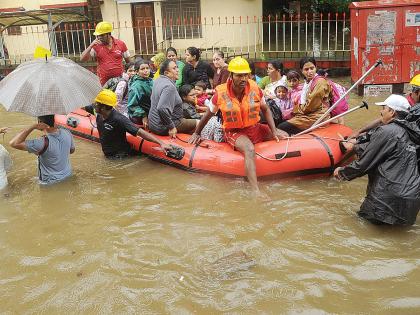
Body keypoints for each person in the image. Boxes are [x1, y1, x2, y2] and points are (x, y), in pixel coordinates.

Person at [189, 57, 287, 196]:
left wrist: (274, 130)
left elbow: (265, 109)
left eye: (245, 75)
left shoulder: (255, 88)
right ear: (231, 75)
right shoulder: (220, 94)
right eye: (239, 75)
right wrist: (197, 133)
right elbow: (208, 114)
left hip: (254, 127)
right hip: (234, 131)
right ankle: (255, 191)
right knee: (249, 149)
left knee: (285, 136)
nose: (243, 79)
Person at [334, 94, 420, 226]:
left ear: (392, 112)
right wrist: (355, 143)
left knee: (357, 226)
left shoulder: (387, 131)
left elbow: (364, 164)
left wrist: (342, 172)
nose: (381, 111)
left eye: (384, 108)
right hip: (411, 202)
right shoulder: (412, 134)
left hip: (385, 202)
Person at [94, 89, 171, 158]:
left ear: (103, 107)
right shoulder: (99, 112)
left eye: (96, 103)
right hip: (109, 155)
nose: (94, 105)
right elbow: (85, 107)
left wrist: (161, 143)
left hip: (120, 156)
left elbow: (140, 132)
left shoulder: (119, 119)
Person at [9, 115, 75, 185]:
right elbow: (72, 151)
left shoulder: (41, 142)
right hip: (68, 175)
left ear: (40, 123)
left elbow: (13, 143)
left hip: (51, 182)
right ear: (54, 120)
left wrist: (32, 127)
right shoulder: (67, 132)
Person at [277, 57, 331, 135]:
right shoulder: (307, 82)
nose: (310, 72)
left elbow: (310, 106)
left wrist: (294, 110)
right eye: (306, 69)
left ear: (316, 68)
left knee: (281, 127)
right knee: (281, 120)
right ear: (301, 71)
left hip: (317, 116)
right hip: (308, 113)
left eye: (312, 68)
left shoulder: (320, 83)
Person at [148, 60, 199, 138]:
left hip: (153, 123)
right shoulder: (169, 87)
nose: (178, 70)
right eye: (174, 68)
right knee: (199, 123)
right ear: (166, 73)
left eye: (177, 67)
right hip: (163, 126)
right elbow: (161, 108)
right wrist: (171, 127)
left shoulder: (157, 80)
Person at [80, 21, 131, 86]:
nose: (99, 37)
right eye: (98, 35)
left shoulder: (121, 44)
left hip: (120, 81)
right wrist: (90, 46)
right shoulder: (96, 46)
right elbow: (82, 59)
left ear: (109, 34)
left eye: (102, 35)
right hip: (104, 82)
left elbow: (129, 62)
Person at [127, 59, 153, 128]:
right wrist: (143, 116)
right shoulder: (136, 86)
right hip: (139, 116)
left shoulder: (151, 81)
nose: (146, 70)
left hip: (150, 112)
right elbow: (131, 105)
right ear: (136, 71)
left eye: (147, 68)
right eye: (142, 69)